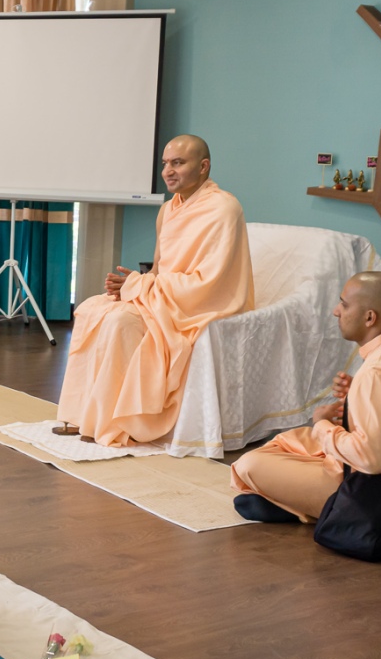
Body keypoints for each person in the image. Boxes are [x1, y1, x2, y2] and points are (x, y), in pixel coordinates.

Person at [56, 136, 254, 447]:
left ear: (203, 166)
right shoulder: (167, 210)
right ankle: (82, 414)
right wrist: (131, 286)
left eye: (178, 163)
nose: (167, 171)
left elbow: (210, 282)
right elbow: (159, 269)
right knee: (92, 309)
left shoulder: (223, 208)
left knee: (120, 321)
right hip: (167, 296)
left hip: (201, 304)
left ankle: (119, 421)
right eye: (165, 164)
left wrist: (140, 285)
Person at [230, 271, 381, 540]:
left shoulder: (378, 372)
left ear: (370, 318)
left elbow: (370, 459)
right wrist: (355, 396)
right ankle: (299, 505)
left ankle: (313, 509)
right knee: (289, 441)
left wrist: (322, 424)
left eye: (344, 305)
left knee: (249, 465)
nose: (336, 311)